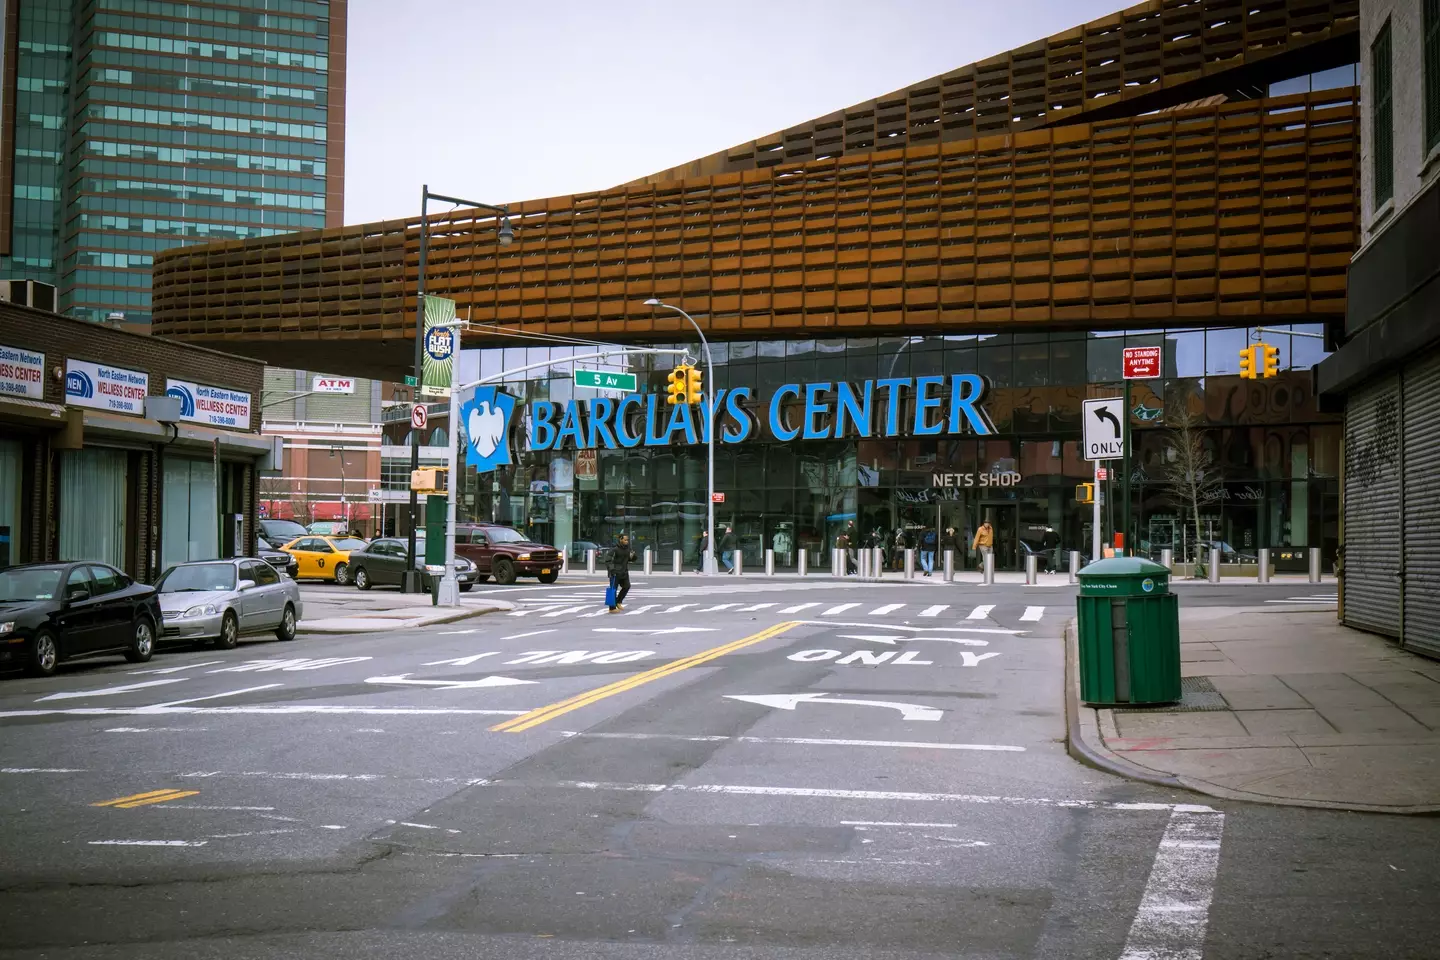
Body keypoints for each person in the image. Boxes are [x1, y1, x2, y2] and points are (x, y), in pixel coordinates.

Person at [607, 533, 636, 611]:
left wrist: (633, 556)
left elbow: (631, 560)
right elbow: (608, 560)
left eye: (627, 540)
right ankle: (612, 608)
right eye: (625, 540)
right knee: (613, 589)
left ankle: (618, 602)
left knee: (627, 586)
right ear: (620, 539)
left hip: (624, 572)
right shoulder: (614, 549)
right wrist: (612, 570)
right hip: (615, 573)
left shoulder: (628, 549)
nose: (627, 541)